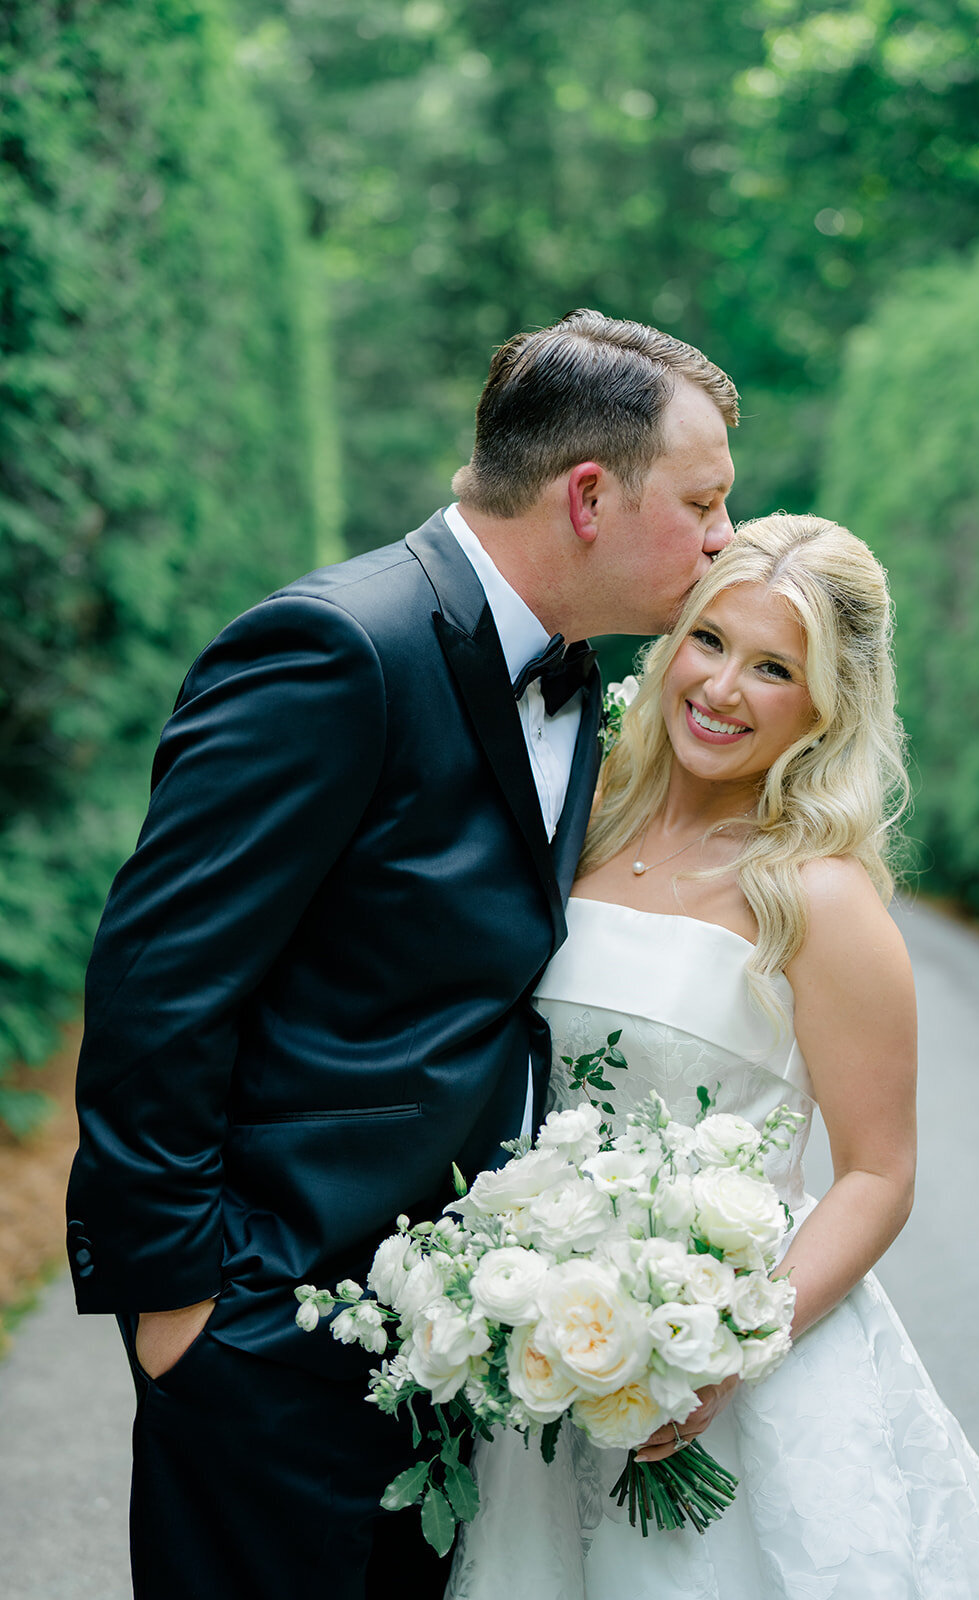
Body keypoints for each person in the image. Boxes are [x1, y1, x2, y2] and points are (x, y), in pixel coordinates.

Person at [63, 308, 739, 1600]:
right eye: (702, 503)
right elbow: (160, 983)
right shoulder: (334, 649)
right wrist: (181, 1309)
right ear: (588, 495)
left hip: (448, 1349)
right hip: (270, 1334)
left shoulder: (576, 678)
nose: (722, 541)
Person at [446, 513, 979, 1599]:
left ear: (824, 707)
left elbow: (878, 1173)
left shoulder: (817, 899)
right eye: (708, 640)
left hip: (724, 1368)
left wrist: (722, 1350)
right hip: (549, 1354)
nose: (721, 687)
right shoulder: (578, 824)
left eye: (773, 668)